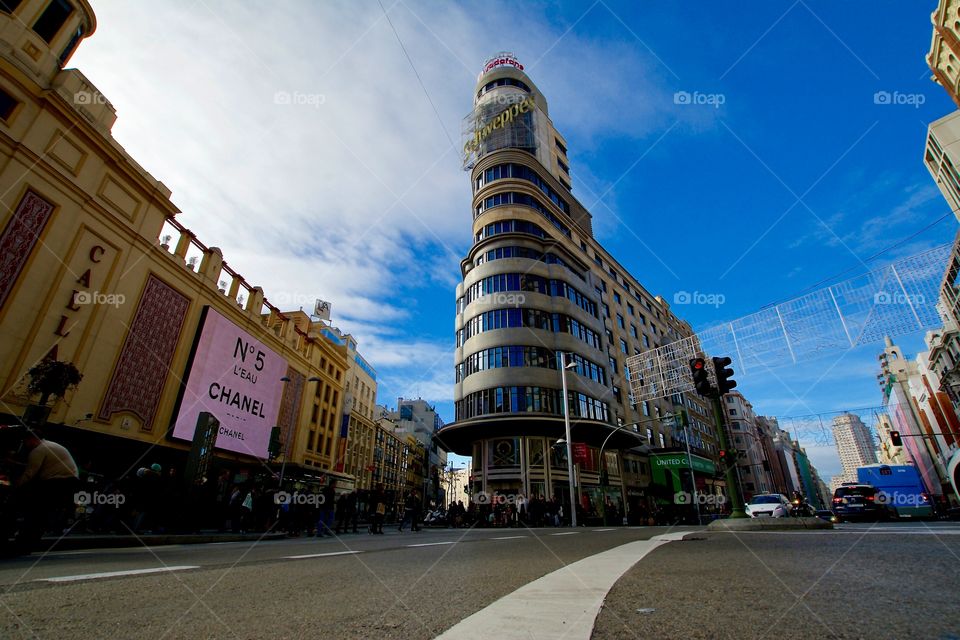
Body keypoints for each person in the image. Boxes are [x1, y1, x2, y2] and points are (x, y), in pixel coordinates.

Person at [15, 432, 79, 541]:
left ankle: (27, 537)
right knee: (43, 511)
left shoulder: (39, 450)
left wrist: (17, 486)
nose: (25, 444)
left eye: (25, 441)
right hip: (68, 481)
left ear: (31, 439)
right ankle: (32, 538)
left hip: (58, 482)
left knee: (37, 510)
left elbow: (29, 473)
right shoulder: (49, 445)